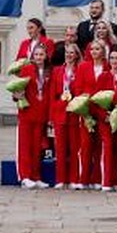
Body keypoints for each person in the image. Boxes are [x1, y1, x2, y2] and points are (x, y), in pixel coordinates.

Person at [14, 42, 50, 188]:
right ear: (32, 56)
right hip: (27, 112)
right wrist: (17, 95)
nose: (39, 57)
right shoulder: (27, 70)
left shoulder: (49, 72)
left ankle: (36, 176)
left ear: (46, 56)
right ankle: (25, 176)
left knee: (37, 147)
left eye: (41, 54)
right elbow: (17, 90)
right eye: (36, 55)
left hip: (41, 113)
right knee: (25, 145)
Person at [48, 42, 82, 190]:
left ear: (76, 55)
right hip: (60, 112)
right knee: (60, 148)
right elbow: (52, 94)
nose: (69, 55)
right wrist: (51, 115)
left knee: (74, 148)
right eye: (67, 52)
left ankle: (74, 178)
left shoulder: (80, 70)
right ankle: (61, 179)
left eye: (72, 53)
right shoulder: (57, 71)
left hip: (74, 112)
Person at [74, 40, 107, 189]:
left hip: (102, 110)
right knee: (86, 146)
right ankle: (84, 179)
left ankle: (98, 179)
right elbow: (78, 88)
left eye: (98, 49)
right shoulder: (83, 67)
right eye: (92, 49)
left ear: (103, 50)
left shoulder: (107, 66)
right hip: (87, 111)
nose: (94, 51)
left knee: (101, 146)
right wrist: (83, 109)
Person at [97, 47, 117, 191]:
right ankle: (107, 181)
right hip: (106, 119)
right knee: (107, 148)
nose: (115, 61)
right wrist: (105, 115)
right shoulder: (103, 76)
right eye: (112, 58)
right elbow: (97, 98)